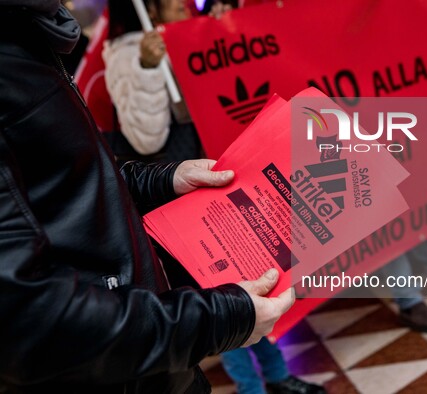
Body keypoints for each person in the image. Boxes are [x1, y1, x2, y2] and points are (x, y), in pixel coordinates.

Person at [0, 2, 294, 393]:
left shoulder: (27, 41)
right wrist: (218, 318)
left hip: (147, 354)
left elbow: (75, 175)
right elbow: (28, 320)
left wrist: (165, 179)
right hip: (115, 364)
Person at [102, 0, 205, 165]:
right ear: (150, 9)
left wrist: (223, 26)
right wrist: (147, 68)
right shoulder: (127, 56)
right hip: (177, 177)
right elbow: (147, 141)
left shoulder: (188, 38)